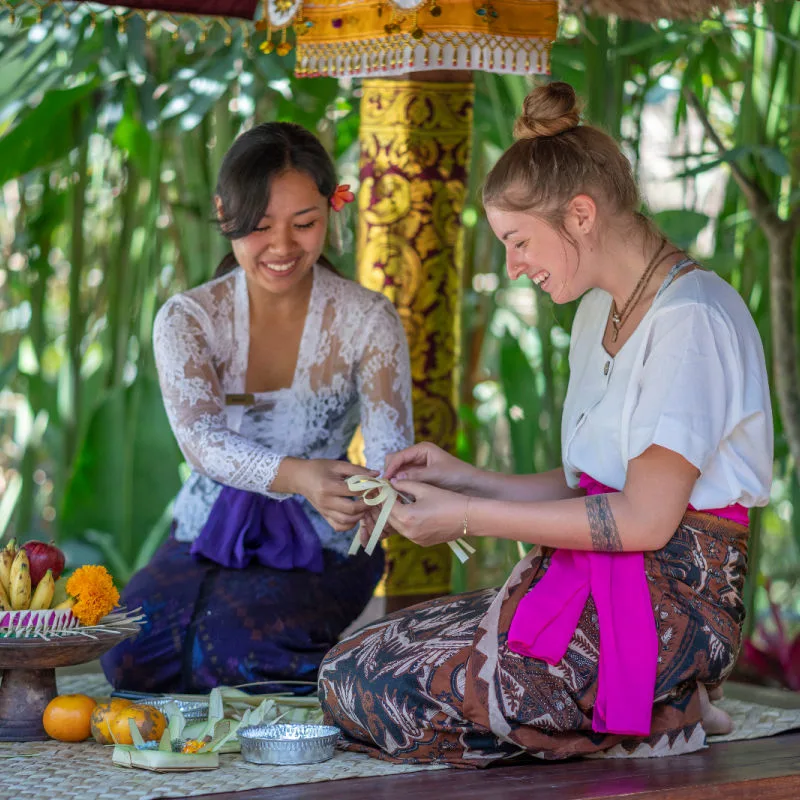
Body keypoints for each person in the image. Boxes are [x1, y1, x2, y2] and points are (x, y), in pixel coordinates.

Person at [318, 82, 772, 764]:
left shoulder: (691, 319)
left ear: (581, 215)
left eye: (520, 240)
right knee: (347, 666)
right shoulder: (599, 311)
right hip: (601, 574)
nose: (513, 264)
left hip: (674, 598)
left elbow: (644, 522)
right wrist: (458, 475)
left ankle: (668, 688)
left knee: (397, 692)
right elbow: (583, 488)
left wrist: (465, 515)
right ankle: (662, 705)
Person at [101, 122, 413, 693]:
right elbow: (201, 443)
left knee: (248, 659)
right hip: (205, 527)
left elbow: (393, 452)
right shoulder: (187, 319)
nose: (282, 247)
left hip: (323, 537)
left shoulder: (369, 319)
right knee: (131, 654)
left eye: (304, 224)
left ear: (331, 209)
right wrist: (299, 476)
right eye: (260, 226)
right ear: (226, 214)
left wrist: (371, 498)